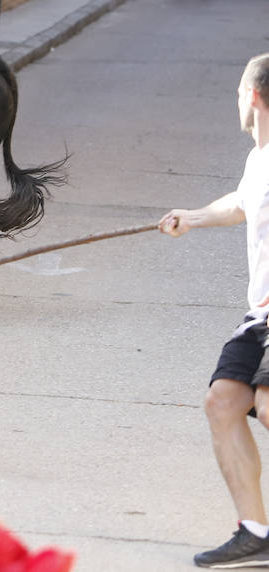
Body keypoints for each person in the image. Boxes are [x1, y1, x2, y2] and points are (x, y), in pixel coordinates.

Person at [160, 53, 269, 568]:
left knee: (267, 405)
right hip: (262, 313)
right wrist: (193, 217)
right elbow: (244, 205)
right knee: (225, 403)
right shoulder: (259, 158)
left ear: (250, 97)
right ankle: (256, 531)